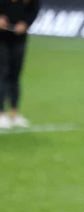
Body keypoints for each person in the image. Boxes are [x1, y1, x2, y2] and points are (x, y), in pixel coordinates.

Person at [0, 0, 39, 129]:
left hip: (19, 39)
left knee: (15, 75)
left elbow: (34, 10)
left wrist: (26, 23)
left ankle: (14, 113)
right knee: (2, 74)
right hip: (2, 38)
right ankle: (1, 114)